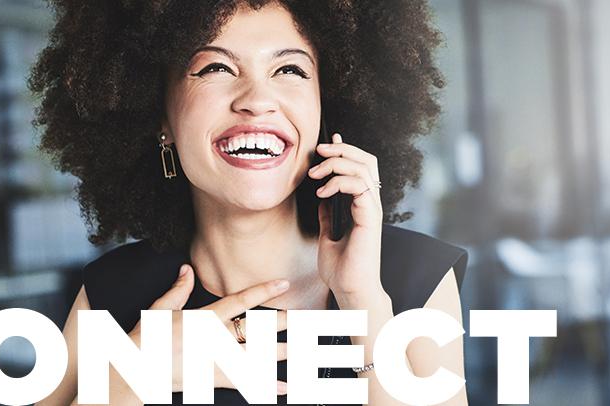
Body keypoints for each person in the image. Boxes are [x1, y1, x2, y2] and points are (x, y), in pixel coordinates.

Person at [29, 1, 468, 404]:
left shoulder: (411, 277)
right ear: (160, 116)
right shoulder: (115, 293)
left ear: (325, 106)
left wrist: (363, 303)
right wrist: (128, 380)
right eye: (216, 67)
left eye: (290, 70)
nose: (257, 101)